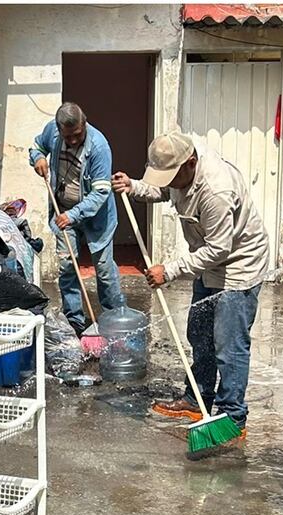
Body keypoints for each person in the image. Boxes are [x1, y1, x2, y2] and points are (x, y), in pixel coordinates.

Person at [111, 131, 269, 446]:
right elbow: (163, 191)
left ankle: (232, 418)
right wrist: (134, 186)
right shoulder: (182, 172)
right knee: (199, 334)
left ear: (190, 163)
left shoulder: (215, 190)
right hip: (207, 264)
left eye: (172, 176)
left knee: (229, 346)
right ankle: (197, 400)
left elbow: (219, 249)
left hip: (237, 266)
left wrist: (169, 270)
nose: (169, 182)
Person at [30, 102, 124, 335]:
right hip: (62, 210)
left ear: (85, 123)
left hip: (95, 217)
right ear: (59, 129)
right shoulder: (51, 130)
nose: (72, 141)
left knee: (103, 269)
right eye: (67, 136)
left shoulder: (99, 147)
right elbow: (36, 147)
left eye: (77, 135)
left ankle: (115, 322)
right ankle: (75, 323)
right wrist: (38, 158)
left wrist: (73, 215)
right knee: (67, 266)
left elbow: (101, 192)